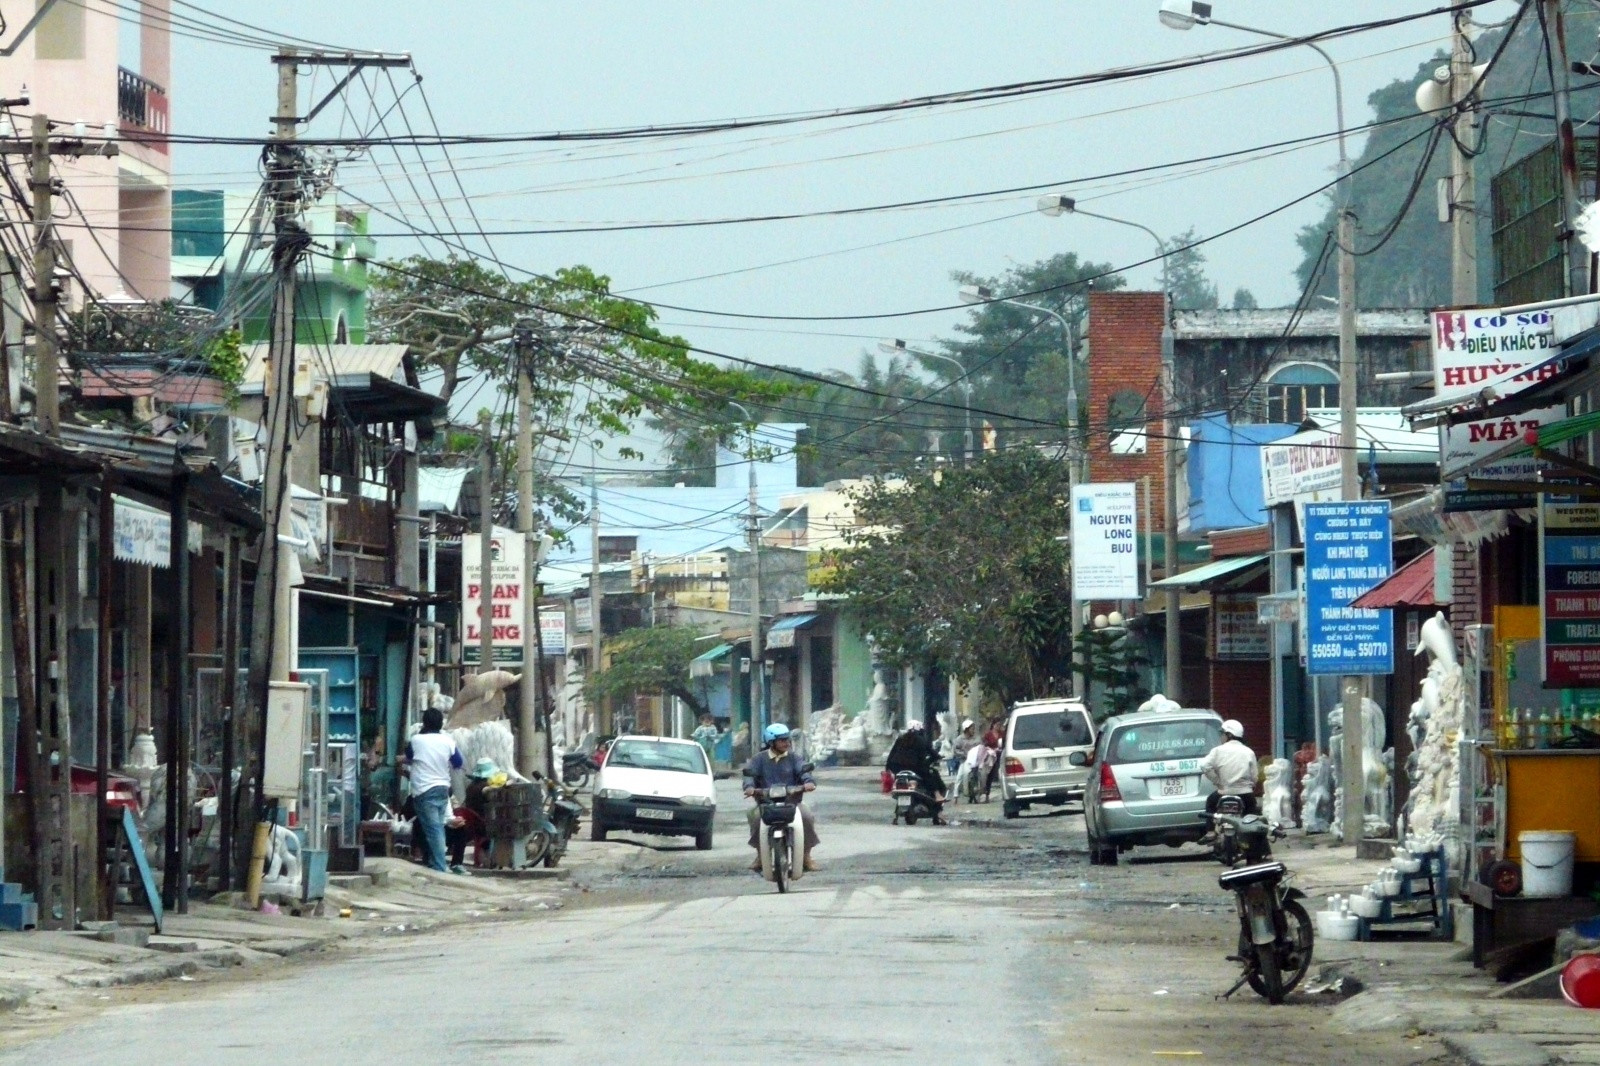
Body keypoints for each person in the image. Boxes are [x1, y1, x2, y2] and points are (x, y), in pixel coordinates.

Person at [743, 723, 819, 872]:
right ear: (771, 742)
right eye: (782, 740)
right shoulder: (758, 759)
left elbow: (803, 771)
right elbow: (749, 775)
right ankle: (761, 855)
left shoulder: (794, 758)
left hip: (793, 803)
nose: (787, 743)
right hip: (766, 804)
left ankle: (806, 856)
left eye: (788, 740)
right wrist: (749, 787)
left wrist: (808, 782)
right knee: (755, 817)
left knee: (807, 817)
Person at [403, 707, 464, 873]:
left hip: (424, 790)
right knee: (437, 827)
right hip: (443, 788)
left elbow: (409, 756)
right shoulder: (448, 741)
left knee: (433, 829)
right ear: (441, 724)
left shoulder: (416, 740)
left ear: (424, 723)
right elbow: (458, 762)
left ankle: (439, 865)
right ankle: (434, 862)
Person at [885, 721, 948, 824]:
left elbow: (891, 756)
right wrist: (937, 757)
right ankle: (937, 795)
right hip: (915, 768)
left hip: (897, 769)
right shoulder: (920, 740)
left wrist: (888, 769)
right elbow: (932, 754)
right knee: (931, 774)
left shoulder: (900, 739)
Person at [1200, 718, 1260, 822]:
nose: (1221, 737)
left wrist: (1217, 781)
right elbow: (1254, 777)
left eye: (1222, 734)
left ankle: (1210, 830)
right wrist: (1249, 786)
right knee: (1251, 818)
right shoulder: (1249, 752)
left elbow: (1204, 766)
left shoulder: (1217, 751)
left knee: (1210, 804)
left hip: (1223, 792)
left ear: (1229, 735)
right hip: (1245, 794)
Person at [445, 757, 497, 872]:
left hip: (471, 820)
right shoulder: (484, 787)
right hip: (479, 823)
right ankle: (490, 859)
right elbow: (489, 793)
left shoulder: (471, 786)